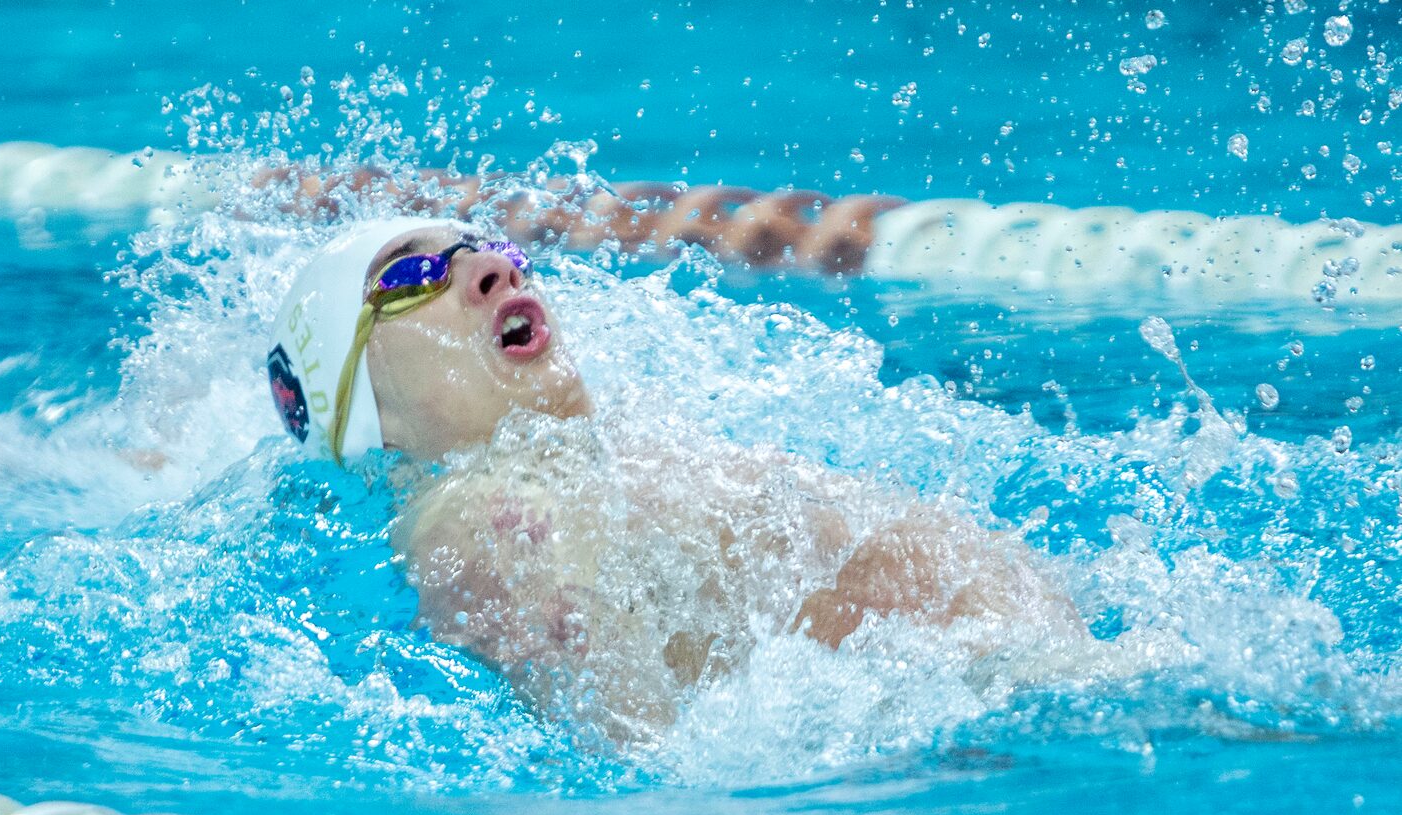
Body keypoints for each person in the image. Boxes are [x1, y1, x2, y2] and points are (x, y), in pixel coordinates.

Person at [268, 218, 1081, 742]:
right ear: (362, 405)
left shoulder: (613, 451)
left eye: (491, 250)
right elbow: (632, 756)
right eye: (411, 278)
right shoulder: (482, 512)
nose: (491, 268)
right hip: (1008, 736)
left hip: (1027, 701)